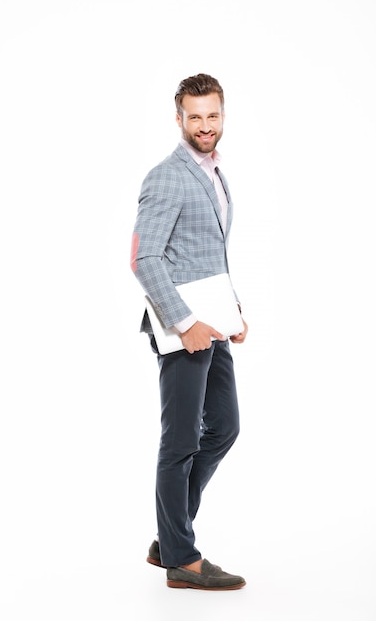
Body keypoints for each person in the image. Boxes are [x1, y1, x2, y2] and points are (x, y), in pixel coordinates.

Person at [130, 73, 248, 590]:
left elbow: (209, 252)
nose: (205, 125)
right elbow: (144, 259)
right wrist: (185, 322)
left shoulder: (215, 171)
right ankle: (180, 557)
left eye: (212, 115)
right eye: (194, 116)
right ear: (178, 118)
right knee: (179, 441)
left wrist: (232, 312)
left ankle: (170, 534)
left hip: (212, 322)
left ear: (223, 115)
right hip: (182, 328)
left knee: (223, 427)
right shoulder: (166, 176)